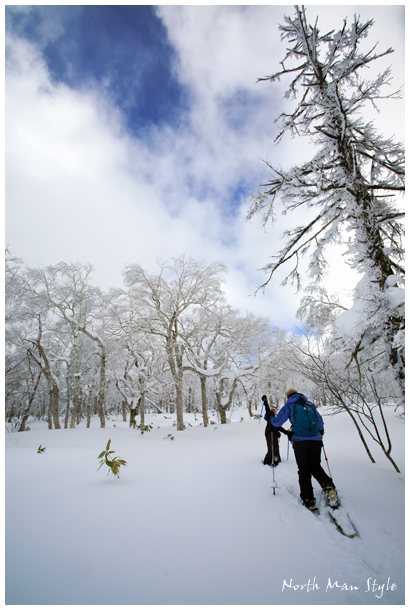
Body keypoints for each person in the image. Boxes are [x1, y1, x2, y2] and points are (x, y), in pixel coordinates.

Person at [265, 388, 338, 511]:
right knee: (315, 466)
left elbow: (277, 423)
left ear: (288, 397)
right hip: (316, 440)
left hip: (300, 441)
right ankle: (329, 487)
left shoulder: (289, 405)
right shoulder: (310, 404)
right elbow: (320, 421)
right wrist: (319, 433)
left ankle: (308, 499)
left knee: (304, 469)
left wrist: (271, 417)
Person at [261, 395, 281, 466]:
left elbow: (279, 427)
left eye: (274, 410)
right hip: (269, 432)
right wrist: (265, 401)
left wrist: (286, 432)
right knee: (271, 447)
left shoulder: (276, 419)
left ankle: (276, 459)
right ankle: (268, 461)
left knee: (276, 447)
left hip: (274, 433)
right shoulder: (269, 415)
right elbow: (266, 407)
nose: (273, 411)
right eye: (272, 410)